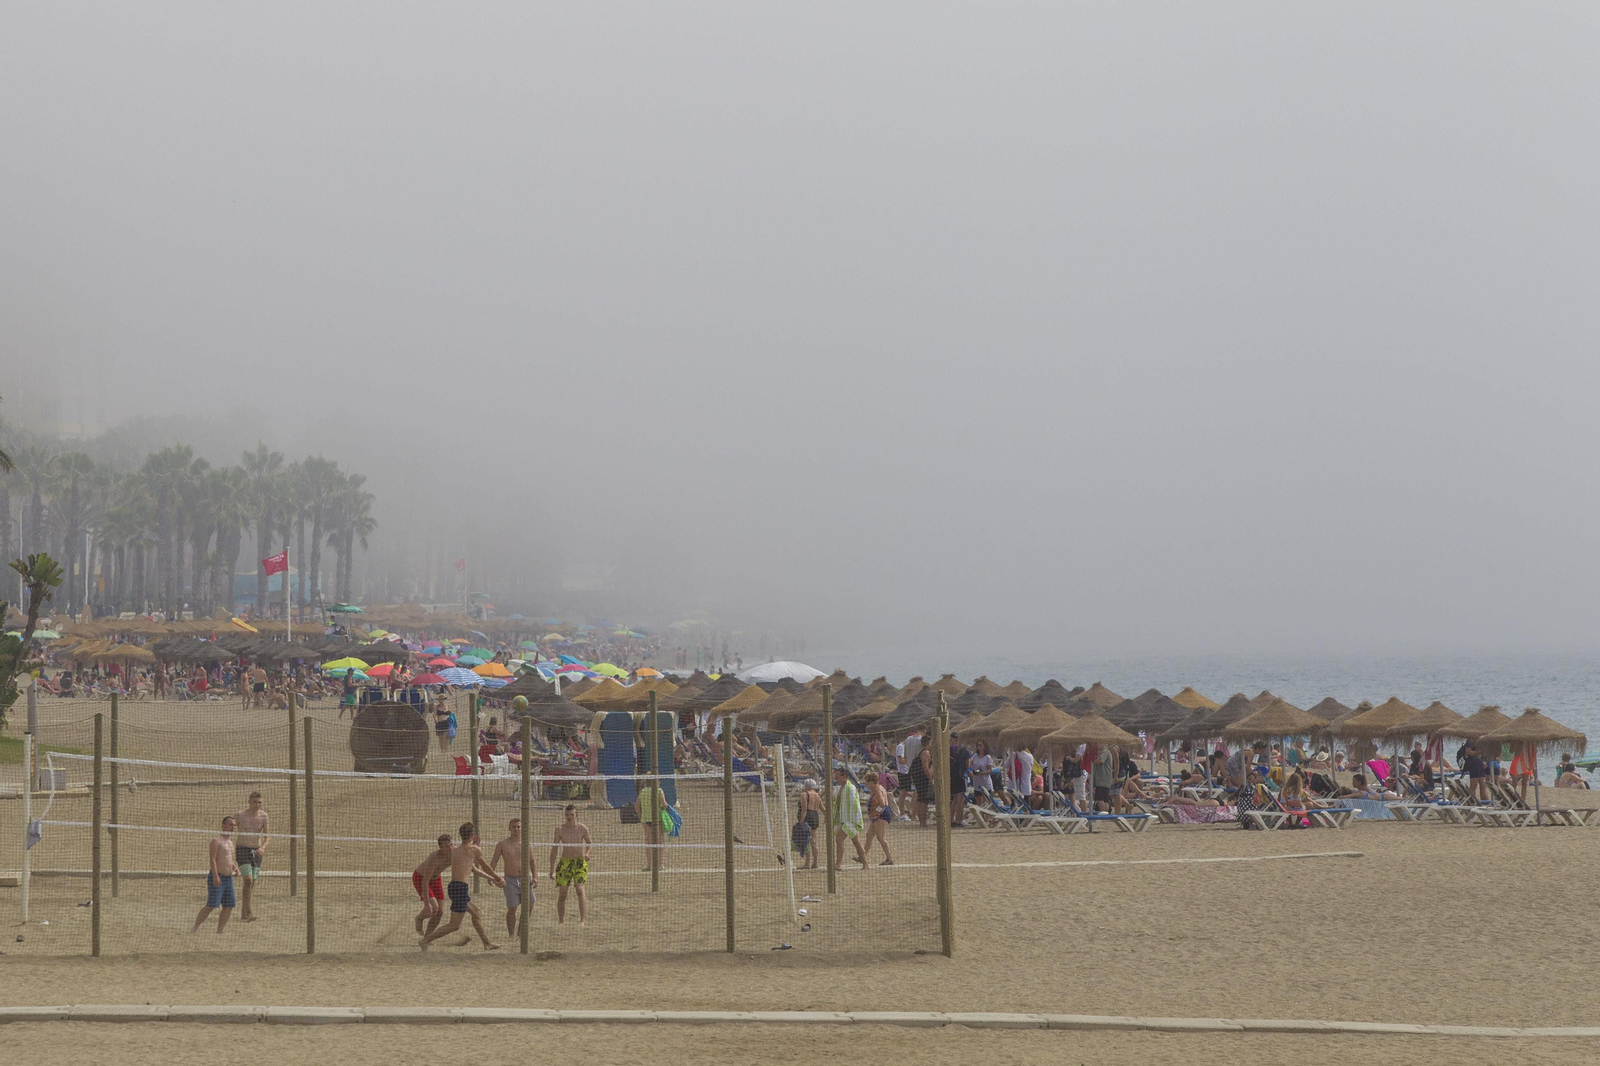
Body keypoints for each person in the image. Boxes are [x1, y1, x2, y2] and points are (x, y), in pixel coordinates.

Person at [420, 822, 503, 950]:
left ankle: (487, 943)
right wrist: (498, 878)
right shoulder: (473, 849)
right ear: (473, 835)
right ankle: (426, 940)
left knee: (476, 913)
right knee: (454, 925)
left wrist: (492, 878)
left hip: (455, 887)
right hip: (460, 888)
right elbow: (485, 866)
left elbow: (472, 867)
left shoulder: (457, 850)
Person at [191, 815, 240, 934]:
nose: (232, 827)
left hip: (228, 878)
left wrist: (235, 868)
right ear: (223, 825)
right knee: (211, 905)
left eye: (234, 825)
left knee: (229, 905)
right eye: (230, 824)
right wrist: (215, 876)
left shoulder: (230, 842)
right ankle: (194, 928)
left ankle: (220, 931)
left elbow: (228, 859)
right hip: (218, 876)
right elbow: (212, 859)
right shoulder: (216, 840)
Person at [489, 818, 537, 940]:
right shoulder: (502, 844)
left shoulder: (527, 844)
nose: (516, 829)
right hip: (510, 880)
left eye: (518, 827)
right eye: (514, 827)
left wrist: (535, 877)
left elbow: (532, 861)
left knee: (530, 905)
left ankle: (521, 931)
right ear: (509, 828)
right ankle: (511, 934)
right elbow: (494, 860)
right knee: (512, 908)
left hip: (525, 879)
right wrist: (491, 876)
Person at [549, 805, 592, 924]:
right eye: (567, 815)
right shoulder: (560, 829)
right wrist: (552, 869)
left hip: (579, 862)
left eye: (571, 814)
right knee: (563, 893)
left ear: (576, 815)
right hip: (565, 863)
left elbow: (589, 843)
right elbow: (554, 849)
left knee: (580, 890)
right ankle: (561, 921)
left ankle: (582, 920)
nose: (569, 817)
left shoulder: (582, 828)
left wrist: (588, 853)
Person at [233, 791, 270, 923]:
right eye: (255, 802)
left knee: (252, 882)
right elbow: (228, 829)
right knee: (248, 880)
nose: (257, 804)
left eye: (260, 802)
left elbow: (267, 836)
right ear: (249, 802)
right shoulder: (240, 815)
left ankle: (246, 911)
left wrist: (262, 848)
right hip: (242, 849)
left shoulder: (264, 816)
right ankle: (246, 913)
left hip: (257, 851)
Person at [412, 834, 453, 936]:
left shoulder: (455, 853)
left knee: (440, 912)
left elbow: (467, 854)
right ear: (441, 848)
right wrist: (426, 904)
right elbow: (425, 881)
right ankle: (419, 918)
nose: (450, 849)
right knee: (433, 908)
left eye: (451, 845)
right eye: (447, 846)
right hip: (421, 878)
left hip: (436, 879)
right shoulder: (434, 858)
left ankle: (427, 937)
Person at [831, 766, 869, 869]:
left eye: (837, 777)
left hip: (849, 820)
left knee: (839, 840)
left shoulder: (850, 788)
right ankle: (865, 864)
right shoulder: (843, 788)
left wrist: (850, 820)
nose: (836, 779)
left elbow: (854, 805)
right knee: (856, 841)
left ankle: (838, 864)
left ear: (844, 776)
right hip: (846, 819)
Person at [861, 771, 895, 866]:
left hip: (882, 815)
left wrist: (877, 813)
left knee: (881, 838)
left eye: (867, 783)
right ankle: (862, 856)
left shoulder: (878, 791)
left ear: (871, 783)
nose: (866, 785)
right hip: (878, 815)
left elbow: (882, 804)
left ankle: (889, 859)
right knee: (869, 835)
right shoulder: (876, 789)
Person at [796, 779, 822, 869]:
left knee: (806, 840)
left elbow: (804, 810)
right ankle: (815, 862)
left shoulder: (804, 794)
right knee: (813, 840)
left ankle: (807, 863)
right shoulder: (817, 795)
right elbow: (822, 808)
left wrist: (801, 822)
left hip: (807, 816)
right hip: (815, 816)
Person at [948, 732, 971, 827]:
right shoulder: (965, 750)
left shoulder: (948, 750)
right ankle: (958, 820)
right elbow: (968, 764)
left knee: (954, 799)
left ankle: (951, 819)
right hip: (961, 775)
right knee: (960, 799)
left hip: (952, 776)